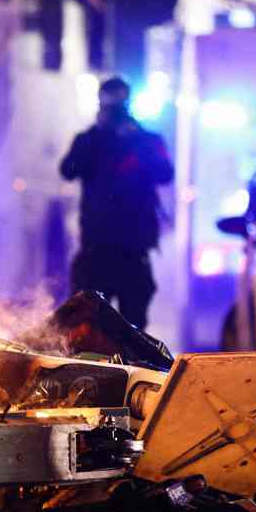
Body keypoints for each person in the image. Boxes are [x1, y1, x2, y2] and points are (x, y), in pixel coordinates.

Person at [59, 76, 173, 330]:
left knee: (133, 331)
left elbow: (165, 173)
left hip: (133, 250)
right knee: (87, 328)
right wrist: (96, 135)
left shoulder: (147, 140)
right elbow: (67, 169)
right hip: (96, 249)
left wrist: (136, 140)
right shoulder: (89, 140)